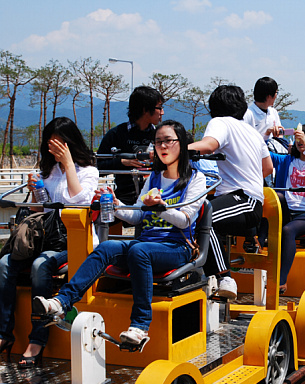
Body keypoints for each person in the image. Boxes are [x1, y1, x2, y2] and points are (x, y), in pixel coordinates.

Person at [34, 120, 207, 347]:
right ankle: (61, 301)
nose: (162, 146)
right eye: (157, 142)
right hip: (145, 246)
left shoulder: (196, 179)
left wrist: (161, 208)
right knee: (107, 247)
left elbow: (185, 220)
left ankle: (141, 326)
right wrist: (117, 204)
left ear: (182, 144)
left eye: (168, 141)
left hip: (177, 247)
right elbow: (137, 216)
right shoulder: (153, 178)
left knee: (139, 250)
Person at [0, 117, 98, 368]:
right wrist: (36, 190)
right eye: (50, 145)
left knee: (40, 266)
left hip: (72, 240)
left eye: (59, 146)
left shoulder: (88, 171)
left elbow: (78, 202)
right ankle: (4, 333)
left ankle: (38, 339)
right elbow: (39, 210)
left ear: (70, 144)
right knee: (3, 263)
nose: (53, 150)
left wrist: (68, 166)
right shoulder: (49, 171)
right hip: (44, 238)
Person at [189, 85, 273, 299]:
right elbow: (268, 168)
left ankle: (224, 278)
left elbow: (208, 146)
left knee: (203, 219)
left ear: (213, 107)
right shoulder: (253, 132)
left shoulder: (220, 122)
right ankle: (206, 276)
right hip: (249, 200)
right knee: (196, 215)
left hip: (244, 200)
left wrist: (173, 149)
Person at [261, 125, 305, 294]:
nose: (301, 141)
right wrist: (267, 134)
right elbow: (261, 152)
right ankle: (258, 243)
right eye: (299, 138)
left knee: (287, 230)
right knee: (275, 197)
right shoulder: (286, 161)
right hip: (286, 210)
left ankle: (282, 280)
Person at [96, 86, 165, 205]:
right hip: (124, 198)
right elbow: (98, 167)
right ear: (145, 109)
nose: (162, 112)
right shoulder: (116, 134)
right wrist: (121, 162)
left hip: (158, 196)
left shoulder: (162, 135)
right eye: (159, 108)